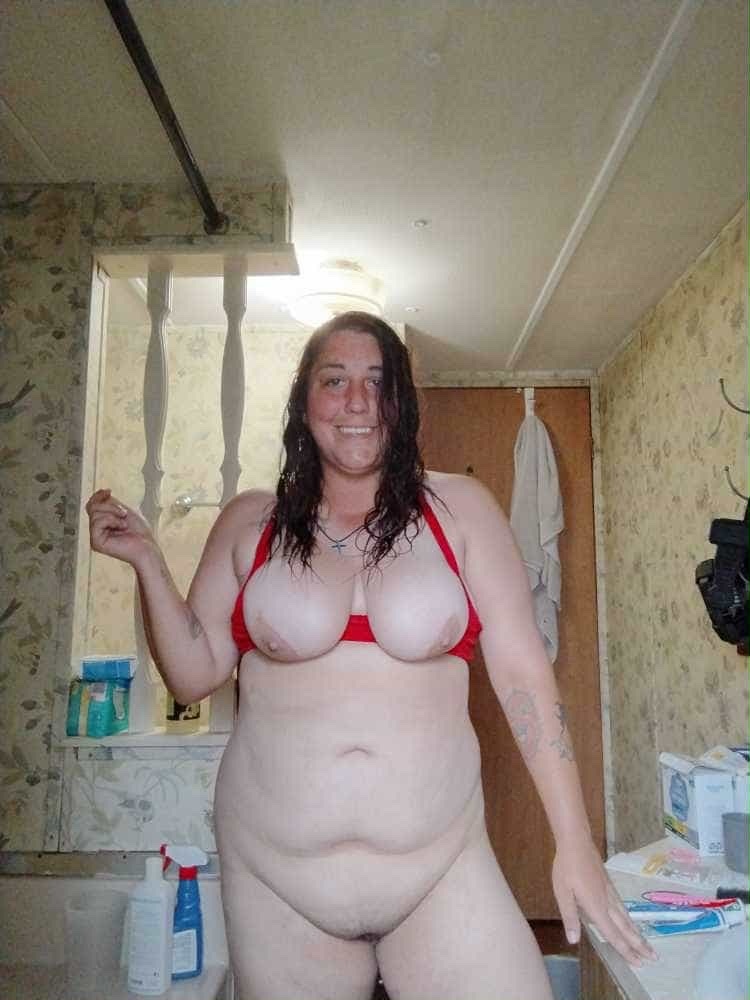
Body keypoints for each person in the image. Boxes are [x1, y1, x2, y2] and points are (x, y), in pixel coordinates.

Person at [86, 311, 655, 1000]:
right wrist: (148, 562)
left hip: (440, 871)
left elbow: (523, 675)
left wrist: (575, 842)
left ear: (401, 405)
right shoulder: (249, 521)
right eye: (335, 380)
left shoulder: (461, 510)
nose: (357, 401)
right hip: (276, 884)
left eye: (377, 382)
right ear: (304, 401)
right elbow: (191, 673)